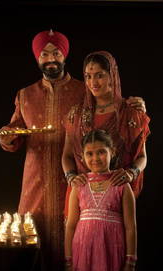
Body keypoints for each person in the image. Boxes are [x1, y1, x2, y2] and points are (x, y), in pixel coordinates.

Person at [0, 31, 146, 271]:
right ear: (37, 58)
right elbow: (15, 130)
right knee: (31, 241)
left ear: (65, 56)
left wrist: (136, 106)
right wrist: (7, 137)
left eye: (56, 53)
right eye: (44, 54)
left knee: (80, 243)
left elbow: (112, 110)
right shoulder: (25, 95)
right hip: (35, 182)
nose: (50, 58)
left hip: (80, 183)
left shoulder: (83, 91)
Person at [62, 50, 150, 218]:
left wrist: (131, 173)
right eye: (88, 76)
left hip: (116, 194)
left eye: (99, 75)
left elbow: (142, 157)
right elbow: (66, 155)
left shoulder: (130, 113)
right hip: (82, 194)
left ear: (112, 76)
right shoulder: (76, 114)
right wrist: (71, 177)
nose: (93, 82)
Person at [64, 129, 137, 271]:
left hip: (113, 248)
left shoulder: (122, 184)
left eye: (101, 152)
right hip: (83, 249)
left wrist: (130, 262)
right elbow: (70, 225)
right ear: (82, 157)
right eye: (89, 154)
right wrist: (69, 261)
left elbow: (131, 227)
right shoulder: (79, 184)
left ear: (113, 151)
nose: (95, 158)